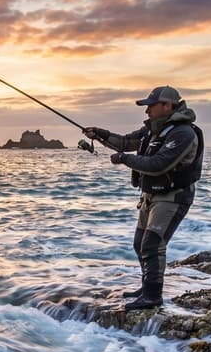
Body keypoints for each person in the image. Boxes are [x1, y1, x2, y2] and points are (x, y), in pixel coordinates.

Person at [83, 85, 204, 310]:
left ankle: (152, 297)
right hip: (150, 196)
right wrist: (99, 133)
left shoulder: (183, 133)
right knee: (140, 244)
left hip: (173, 197)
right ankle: (145, 288)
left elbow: (159, 165)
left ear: (167, 106)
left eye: (151, 106)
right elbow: (124, 142)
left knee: (152, 244)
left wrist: (123, 159)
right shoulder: (151, 130)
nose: (146, 112)